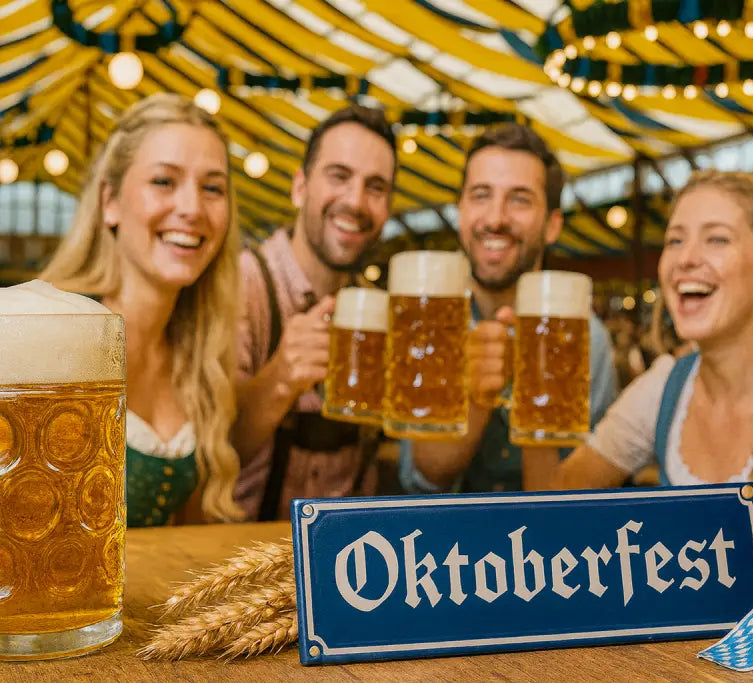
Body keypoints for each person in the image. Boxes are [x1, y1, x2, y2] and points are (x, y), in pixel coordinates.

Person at [510, 170, 753, 560]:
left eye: (717, 239)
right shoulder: (663, 386)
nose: (686, 259)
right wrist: (531, 388)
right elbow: (551, 507)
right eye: (675, 240)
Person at [43, 93, 244, 526]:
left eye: (213, 188)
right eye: (164, 182)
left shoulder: (202, 355)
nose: (191, 208)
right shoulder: (51, 339)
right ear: (109, 201)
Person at [399, 124, 617, 494]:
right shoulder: (426, 320)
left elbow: (583, 500)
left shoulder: (588, 339)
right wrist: (474, 398)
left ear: (552, 225)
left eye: (519, 199)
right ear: (461, 211)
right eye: (481, 195)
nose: (496, 218)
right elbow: (421, 482)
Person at [232, 105, 396, 520]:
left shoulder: (376, 307)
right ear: (300, 188)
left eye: (375, 187)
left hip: (349, 561)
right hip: (246, 564)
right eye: (339, 176)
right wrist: (280, 377)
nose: (356, 201)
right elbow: (208, 455)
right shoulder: (241, 285)